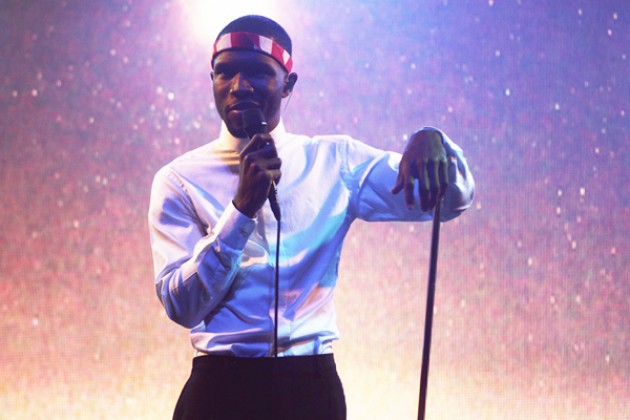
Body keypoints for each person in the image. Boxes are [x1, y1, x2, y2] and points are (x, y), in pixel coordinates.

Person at [148, 15, 474, 420]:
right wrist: (241, 211)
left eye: (257, 72)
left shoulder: (334, 161)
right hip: (219, 389)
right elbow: (181, 306)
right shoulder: (179, 179)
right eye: (225, 72)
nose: (239, 85)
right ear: (212, 80)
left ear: (288, 84)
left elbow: (450, 200)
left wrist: (432, 139)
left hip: (310, 387)